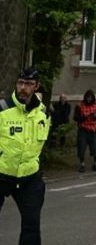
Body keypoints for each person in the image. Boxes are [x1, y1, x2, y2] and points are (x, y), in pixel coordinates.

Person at [0, 67, 51, 245]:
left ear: (36, 86)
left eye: (28, 84)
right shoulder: (3, 109)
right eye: (21, 83)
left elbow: (40, 145)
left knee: (31, 225)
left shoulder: (43, 113)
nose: (23, 88)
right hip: (1, 173)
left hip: (29, 178)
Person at [74, 90, 96, 172]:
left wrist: (95, 116)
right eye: (87, 97)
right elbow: (75, 118)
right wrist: (84, 117)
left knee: (95, 147)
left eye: (90, 98)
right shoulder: (79, 105)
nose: (89, 99)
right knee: (81, 147)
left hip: (93, 129)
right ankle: (82, 164)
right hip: (83, 128)